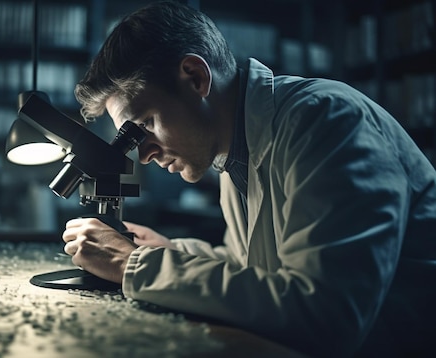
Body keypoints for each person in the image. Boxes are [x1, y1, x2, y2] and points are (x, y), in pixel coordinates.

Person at [62, 1, 436, 357]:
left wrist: (135, 265)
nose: (143, 153)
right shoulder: (233, 152)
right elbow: (259, 272)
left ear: (195, 78)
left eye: (144, 125)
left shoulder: (327, 121)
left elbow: (326, 317)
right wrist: (167, 252)